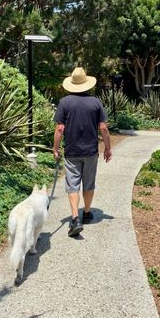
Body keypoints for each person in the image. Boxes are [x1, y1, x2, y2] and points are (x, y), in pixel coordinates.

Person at [53, 67, 112, 237]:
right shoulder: (95, 102)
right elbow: (103, 128)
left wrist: (55, 148)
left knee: (72, 184)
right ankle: (86, 212)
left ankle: (75, 218)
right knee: (89, 182)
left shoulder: (65, 102)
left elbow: (59, 128)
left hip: (72, 151)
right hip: (91, 151)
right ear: (86, 84)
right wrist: (108, 148)